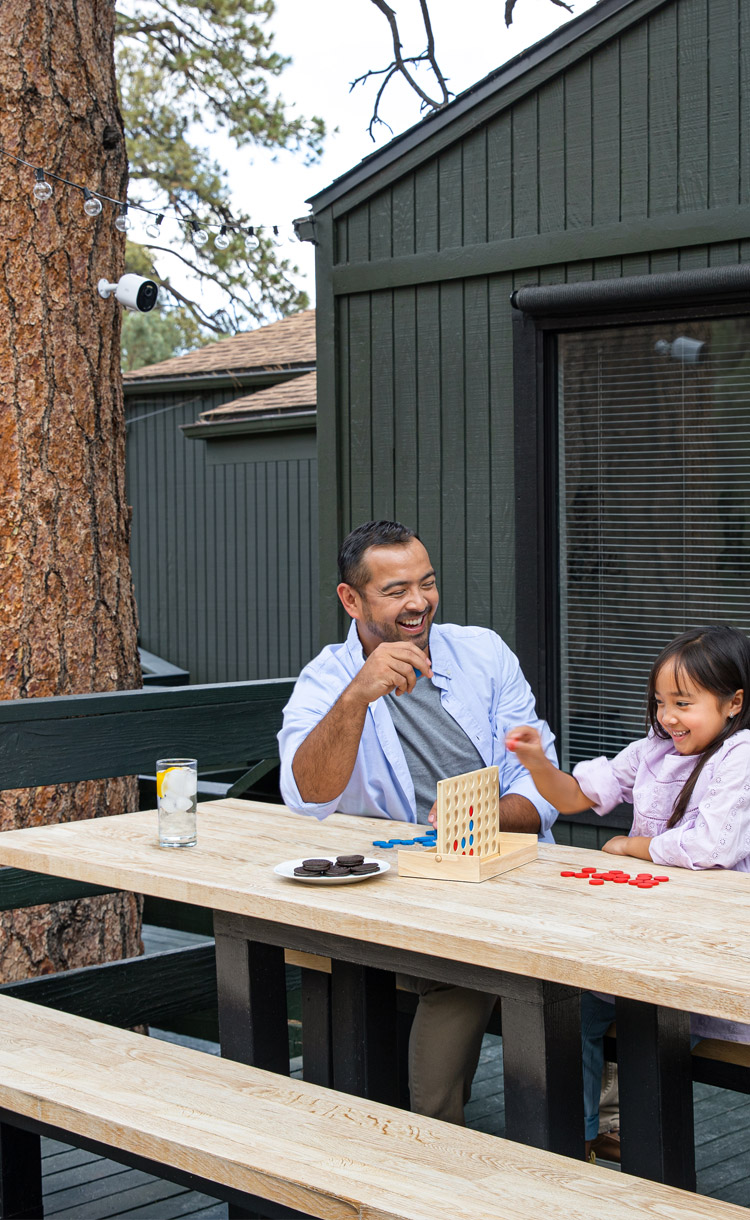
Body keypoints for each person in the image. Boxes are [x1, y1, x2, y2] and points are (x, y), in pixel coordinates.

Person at [278, 519, 559, 1125]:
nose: (419, 603)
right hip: (403, 885)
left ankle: (570, 1126)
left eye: (427, 584)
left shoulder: (482, 651)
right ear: (351, 599)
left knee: (545, 958)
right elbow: (306, 794)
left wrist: (471, 819)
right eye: (396, 590)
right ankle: (435, 1142)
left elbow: (542, 785)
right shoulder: (326, 680)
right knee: (465, 962)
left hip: (509, 868)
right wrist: (357, 696)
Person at [506, 623, 750, 1161]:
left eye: (683, 703)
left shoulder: (741, 755)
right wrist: (536, 764)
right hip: (643, 937)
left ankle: (648, 1153)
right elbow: (575, 796)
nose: (667, 717)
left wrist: (629, 845)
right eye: (661, 702)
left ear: (734, 702)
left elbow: (710, 847)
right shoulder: (653, 750)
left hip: (710, 950)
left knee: (652, 1036)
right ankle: (582, 1135)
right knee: (570, 1016)